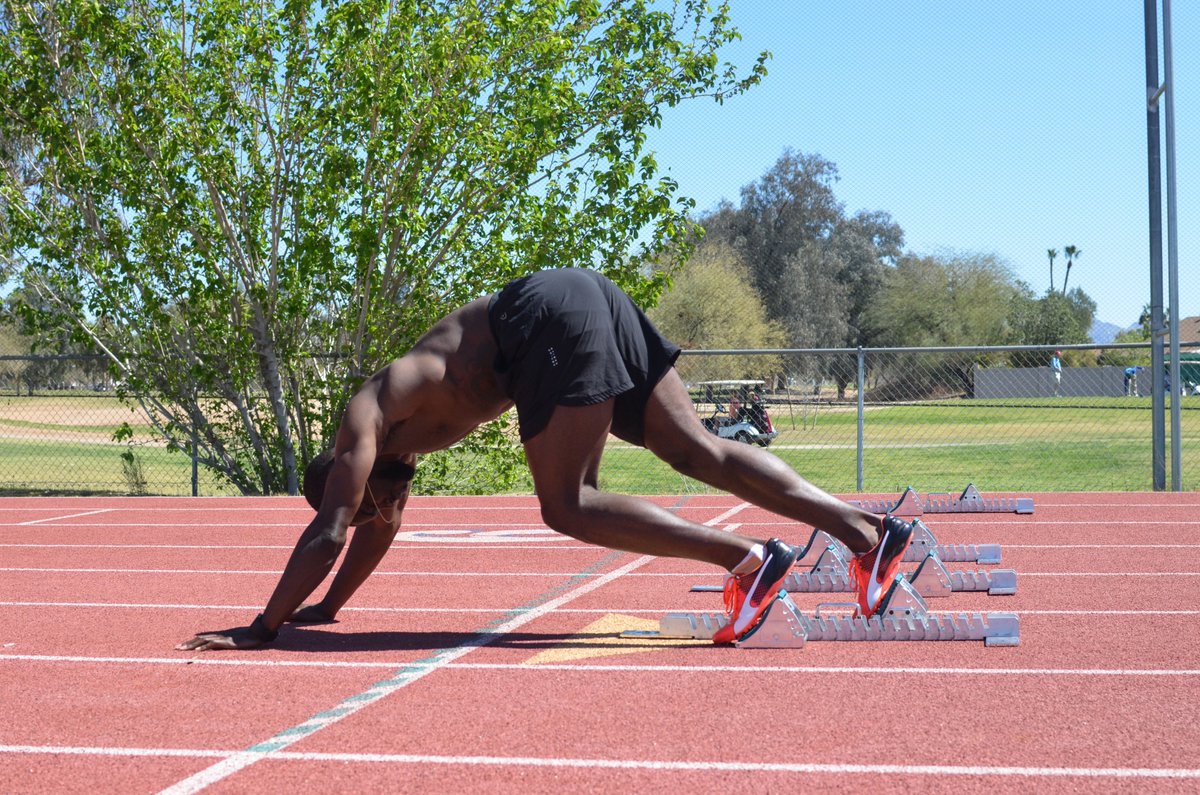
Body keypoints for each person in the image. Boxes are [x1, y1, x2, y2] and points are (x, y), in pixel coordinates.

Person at [177, 268, 913, 651]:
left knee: (568, 503)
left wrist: (263, 626)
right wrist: (326, 609)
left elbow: (334, 530)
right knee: (698, 450)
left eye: (360, 494)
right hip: (580, 301)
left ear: (344, 472)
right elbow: (372, 534)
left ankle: (751, 562)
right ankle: (869, 535)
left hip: (544, 323)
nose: (377, 509)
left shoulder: (361, 422)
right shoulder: (393, 465)